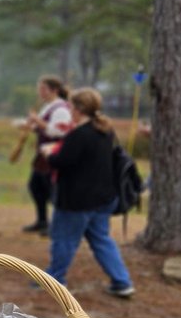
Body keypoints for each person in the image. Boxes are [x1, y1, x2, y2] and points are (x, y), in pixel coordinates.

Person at [42, 87, 134, 298]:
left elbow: (61, 162)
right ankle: (122, 282)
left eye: (71, 106)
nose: (69, 109)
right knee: (102, 240)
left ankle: (55, 280)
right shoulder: (104, 131)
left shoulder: (78, 135)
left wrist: (48, 153)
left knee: (64, 239)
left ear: (79, 108)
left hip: (76, 200)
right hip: (103, 198)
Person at [21, 76, 72, 235]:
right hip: (42, 154)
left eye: (43, 89)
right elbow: (43, 128)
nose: (40, 92)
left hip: (54, 153)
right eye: (40, 88)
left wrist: (37, 120)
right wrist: (32, 125)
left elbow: (58, 131)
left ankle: (57, 226)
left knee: (51, 189)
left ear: (54, 90)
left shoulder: (61, 109)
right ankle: (42, 221)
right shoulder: (48, 107)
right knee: (36, 186)